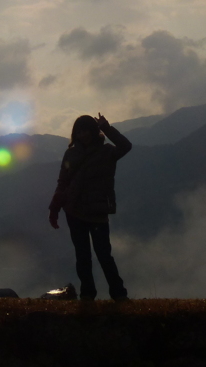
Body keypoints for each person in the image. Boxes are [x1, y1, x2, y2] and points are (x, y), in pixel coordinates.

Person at [48, 113, 132, 301]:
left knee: (104, 255)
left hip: (96, 211)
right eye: (79, 131)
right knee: (83, 257)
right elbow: (62, 182)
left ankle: (118, 294)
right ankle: (88, 295)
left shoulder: (107, 152)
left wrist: (107, 127)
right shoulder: (71, 153)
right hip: (75, 211)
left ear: (94, 131)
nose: (82, 135)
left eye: (85, 130)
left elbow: (126, 146)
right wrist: (54, 209)